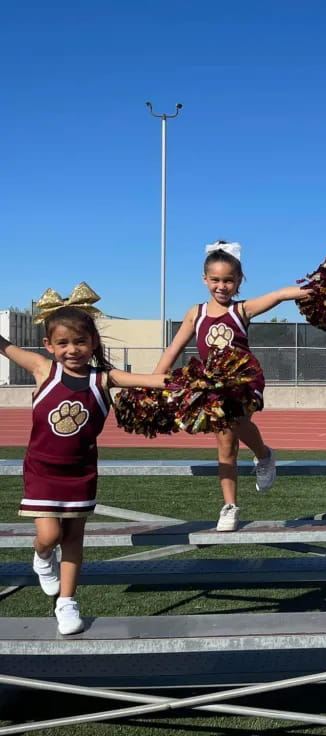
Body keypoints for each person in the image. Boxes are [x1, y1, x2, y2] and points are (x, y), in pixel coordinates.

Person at [0, 284, 169, 634]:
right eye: (63, 343)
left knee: (74, 537)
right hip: (43, 471)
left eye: (80, 342)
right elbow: (5, 346)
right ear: (49, 346)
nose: (72, 350)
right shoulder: (43, 370)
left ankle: (67, 602)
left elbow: (156, 381)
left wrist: (200, 383)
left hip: (80, 473)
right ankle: (42, 556)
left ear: (93, 342)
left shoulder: (104, 379)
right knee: (49, 535)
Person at [154, 241, 309, 532]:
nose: (221, 286)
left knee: (233, 420)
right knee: (225, 444)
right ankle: (230, 505)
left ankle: (263, 455)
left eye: (228, 280)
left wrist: (318, 290)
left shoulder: (242, 309)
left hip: (243, 380)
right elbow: (173, 350)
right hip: (211, 386)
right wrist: (152, 382)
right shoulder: (195, 313)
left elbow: (279, 296)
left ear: (239, 281)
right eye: (215, 280)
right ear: (204, 279)